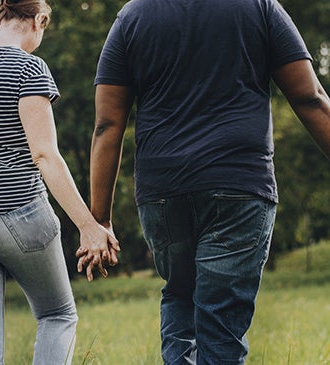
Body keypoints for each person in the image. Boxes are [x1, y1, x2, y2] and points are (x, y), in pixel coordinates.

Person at [90, 0, 330, 364]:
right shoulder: (260, 7)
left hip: (163, 193)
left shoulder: (133, 16)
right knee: (221, 324)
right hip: (239, 185)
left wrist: (100, 220)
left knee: (179, 294)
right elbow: (310, 98)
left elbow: (108, 124)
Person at [0, 0, 119, 363]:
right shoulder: (28, 67)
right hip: (18, 215)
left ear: (0, 15)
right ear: (39, 20)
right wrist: (88, 225)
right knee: (56, 315)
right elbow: (45, 156)